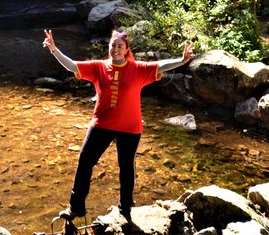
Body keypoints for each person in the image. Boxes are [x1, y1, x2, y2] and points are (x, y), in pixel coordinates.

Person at [42, 28, 195, 224]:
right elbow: (72, 66)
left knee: (126, 167)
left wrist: (182, 60)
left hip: (130, 128)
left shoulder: (137, 69)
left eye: (120, 46)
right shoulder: (98, 67)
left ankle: (125, 207)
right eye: (113, 45)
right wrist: (54, 49)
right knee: (85, 161)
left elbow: (160, 66)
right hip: (102, 124)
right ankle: (75, 207)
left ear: (126, 50)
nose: (115, 49)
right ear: (109, 47)